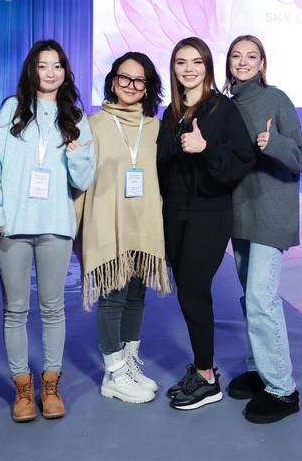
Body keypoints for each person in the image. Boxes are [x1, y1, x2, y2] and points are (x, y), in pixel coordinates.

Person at [0, 40, 96, 423]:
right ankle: (22, 389)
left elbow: (83, 178)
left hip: (55, 224)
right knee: (15, 309)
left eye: (58, 65)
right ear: (32, 71)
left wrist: (78, 151)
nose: (50, 72)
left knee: (52, 308)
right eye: (43, 65)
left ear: (65, 72)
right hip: (12, 223)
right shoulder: (11, 110)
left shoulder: (77, 118)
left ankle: (50, 385)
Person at [157, 36, 255, 410]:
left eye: (196, 62)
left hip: (210, 215)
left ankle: (207, 378)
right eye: (181, 62)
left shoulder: (222, 109)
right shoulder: (171, 112)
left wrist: (206, 149)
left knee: (194, 291)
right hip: (175, 215)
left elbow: (241, 161)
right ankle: (202, 366)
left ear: (208, 67)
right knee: (187, 292)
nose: (189, 69)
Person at [223, 35, 302, 423]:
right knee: (249, 296)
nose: (243, 62)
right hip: (239, 211)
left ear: (262, 63)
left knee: (262, 297)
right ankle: (260, 369)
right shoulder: (224, 105)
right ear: (228, 62)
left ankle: (282, 388)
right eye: (236, 56)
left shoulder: (276, 98)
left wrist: (274, 143)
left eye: (251, 56)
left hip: (270, 212)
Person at [77, 52, 172, 403]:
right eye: (124, 78)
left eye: (139, 80)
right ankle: (113, 373)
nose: (131, 86)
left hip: (144, 225)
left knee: (136, 297)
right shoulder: (96, 123)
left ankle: (130, 363)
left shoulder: (155, 128)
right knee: (113, 297)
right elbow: (82, 177)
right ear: (113, 81)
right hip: (110, 225)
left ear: (148, 88)